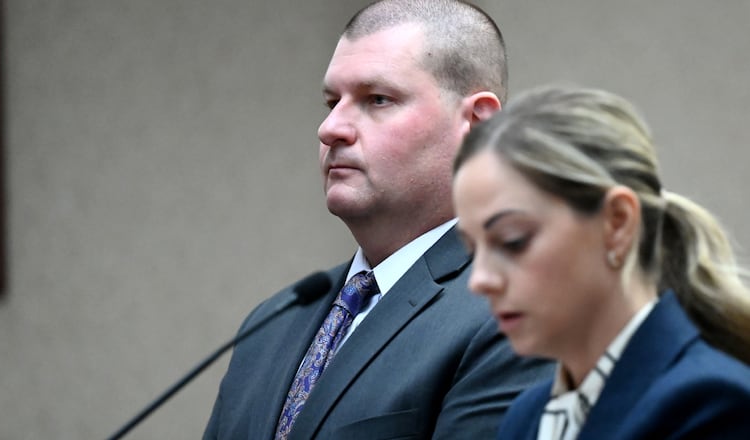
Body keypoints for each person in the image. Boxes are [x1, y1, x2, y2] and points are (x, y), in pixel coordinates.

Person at [203, 1, 554, 439]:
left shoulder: (521, 311)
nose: (331, 128)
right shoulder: (272, 321)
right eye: (332, 102)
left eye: (377, 99)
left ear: (478, 123)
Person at [452, 84, 750, 439]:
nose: (479, 280)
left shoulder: (710, 403)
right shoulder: (526, 415)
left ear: (618, 223)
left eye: (513, 240)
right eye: (473, 250)